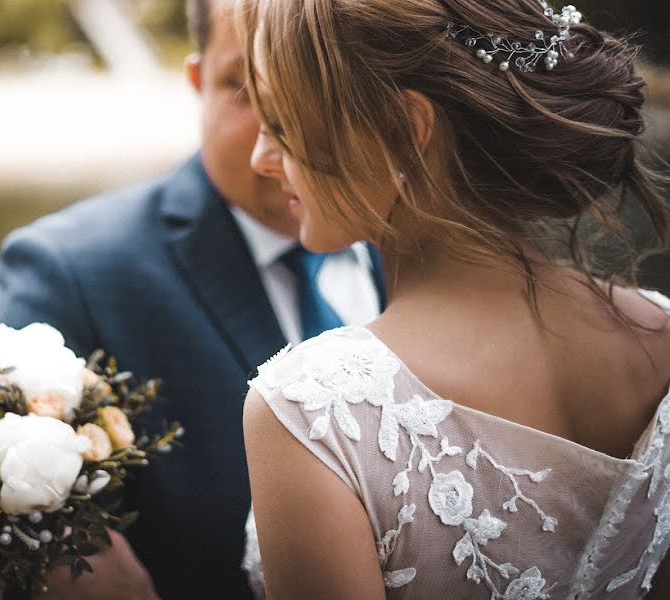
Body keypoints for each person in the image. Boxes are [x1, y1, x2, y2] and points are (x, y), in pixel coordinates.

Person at [238, 0, 670, 598]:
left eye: (282, 123)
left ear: (405, 131)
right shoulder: (662, 333)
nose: (261, 157)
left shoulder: (318, 411)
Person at [0, 0, 385, 597]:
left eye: (316, 88)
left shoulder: (407, 238)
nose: (287, 132)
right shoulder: (70, 272)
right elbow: (29, 547)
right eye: (247, 88)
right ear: (199, 82)